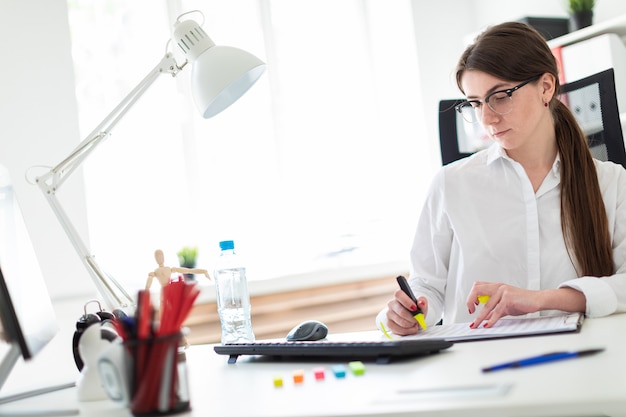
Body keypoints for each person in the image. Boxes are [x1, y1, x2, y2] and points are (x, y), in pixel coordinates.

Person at [377, 21, 626, 336]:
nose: (487, 118)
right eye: (476, 103)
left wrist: (542, 300)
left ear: (546, 87)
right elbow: (426, 283)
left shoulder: (612, 183)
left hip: (580, 357)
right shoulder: (451, 184)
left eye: (501, 96)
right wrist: (410, 310)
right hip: (477, 364)